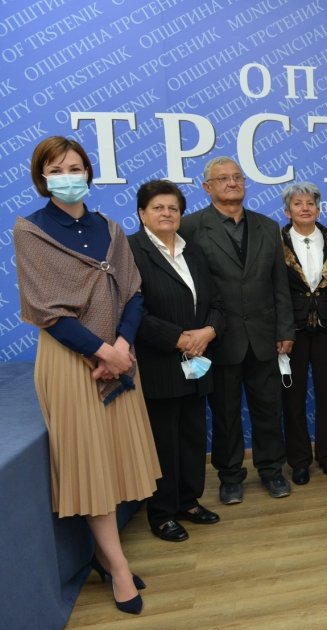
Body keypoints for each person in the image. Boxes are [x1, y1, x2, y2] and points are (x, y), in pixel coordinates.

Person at [14, 136, 161, 614]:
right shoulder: (31, 231)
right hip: (70, 361)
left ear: (88, 173)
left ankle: (105, 553)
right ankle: (118, 568)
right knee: (91, 465)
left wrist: (120, 346)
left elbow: (134, 293)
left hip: (119, 354)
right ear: (42, 177)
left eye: (75, 167)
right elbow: (46, 310)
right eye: (56, 169)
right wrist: (102, 351)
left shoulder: (110, 229)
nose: (68, 177)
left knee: (115, 460)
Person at [179, 157, 295, 504]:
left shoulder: (267, 226)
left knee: (268, 409)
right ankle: (230, 476)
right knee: (225, 414)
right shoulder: (190, 227)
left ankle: (272, 470)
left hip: (264, 336)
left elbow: (279, 283)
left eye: (237, 177)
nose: (232, 183)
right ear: (207, 187)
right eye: (223, 179)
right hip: (218, 338)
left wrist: (285, 329)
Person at [128, 179, 223, 542]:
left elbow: (216, 303)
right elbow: (133, 311)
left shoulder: (192, 251)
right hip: (160, 364)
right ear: (142, 214)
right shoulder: (131, 251)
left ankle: (188, 501)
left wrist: (207, 332)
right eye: (158, 207)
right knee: (164, 442)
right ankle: (163, 512)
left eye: (173, 208)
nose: (167, 213)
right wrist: (180, 338)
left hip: (197, 361)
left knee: (193, 436)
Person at [279, 181, 327, 484]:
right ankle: (299, 461)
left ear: (318, 208)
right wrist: (280, 331)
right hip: (292, 331)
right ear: (287, 211)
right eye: (298, 204)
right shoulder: (275, 241)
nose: (305, 208)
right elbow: (273, 289)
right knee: (293, 399)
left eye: (310, 203)